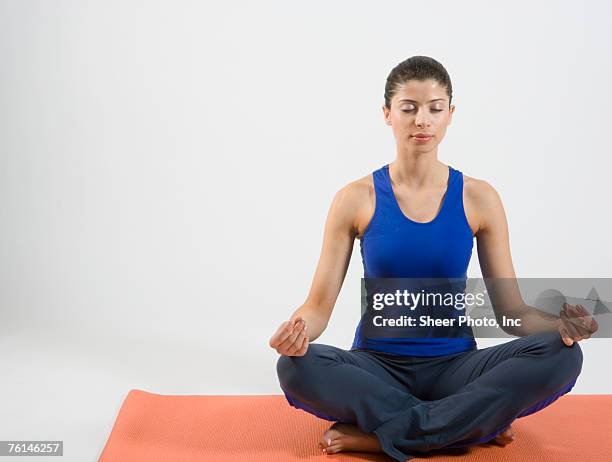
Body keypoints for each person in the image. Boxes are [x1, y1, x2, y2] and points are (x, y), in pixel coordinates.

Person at [268, 56, 598, 462]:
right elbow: (318, 306)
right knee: (294, 367)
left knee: (561, 355)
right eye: (408, 108)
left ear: (450, 115)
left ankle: (385, 436)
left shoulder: (479, 198)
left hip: (455, 370)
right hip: (376, 367)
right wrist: (297, 332)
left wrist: (560, 327)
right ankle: (468, 427)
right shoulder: (356, 198)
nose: (422, 120)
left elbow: (512, 312)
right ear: (387, 114)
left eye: (434, 108)